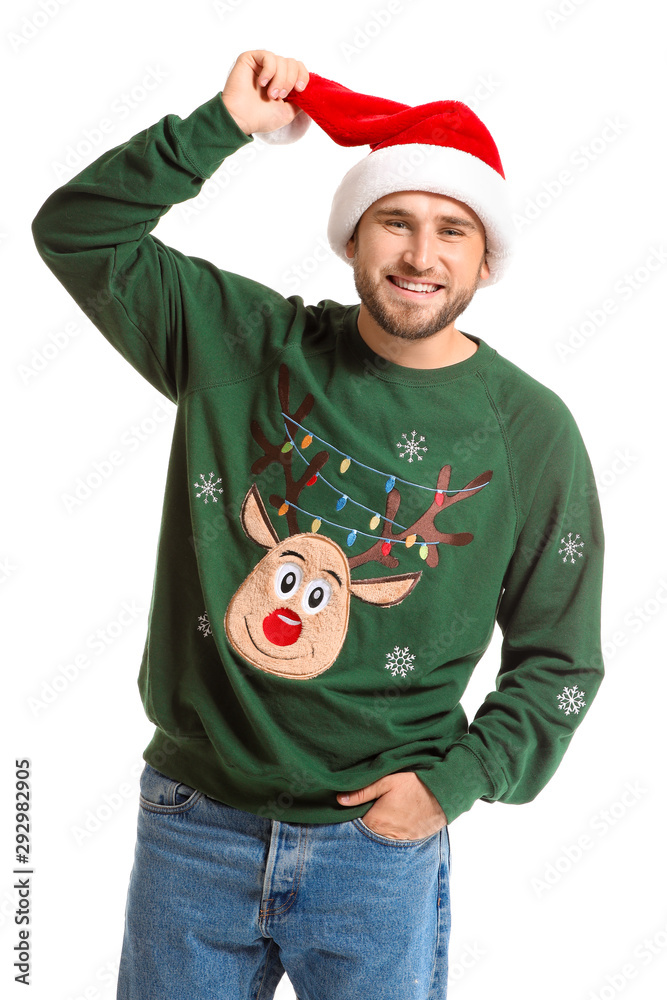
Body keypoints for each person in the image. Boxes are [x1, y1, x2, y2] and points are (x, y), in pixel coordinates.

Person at [31, 49, 605, 1000]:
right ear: (351, 237)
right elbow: (77, 231)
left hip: (376, 853)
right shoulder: (244, 345)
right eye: (395, 221)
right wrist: (220, 127)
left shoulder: (528, 430)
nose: (420, 256)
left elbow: (562, 660)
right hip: (193, 828)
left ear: (485, 258)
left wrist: (452, 784)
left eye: (452, 230)